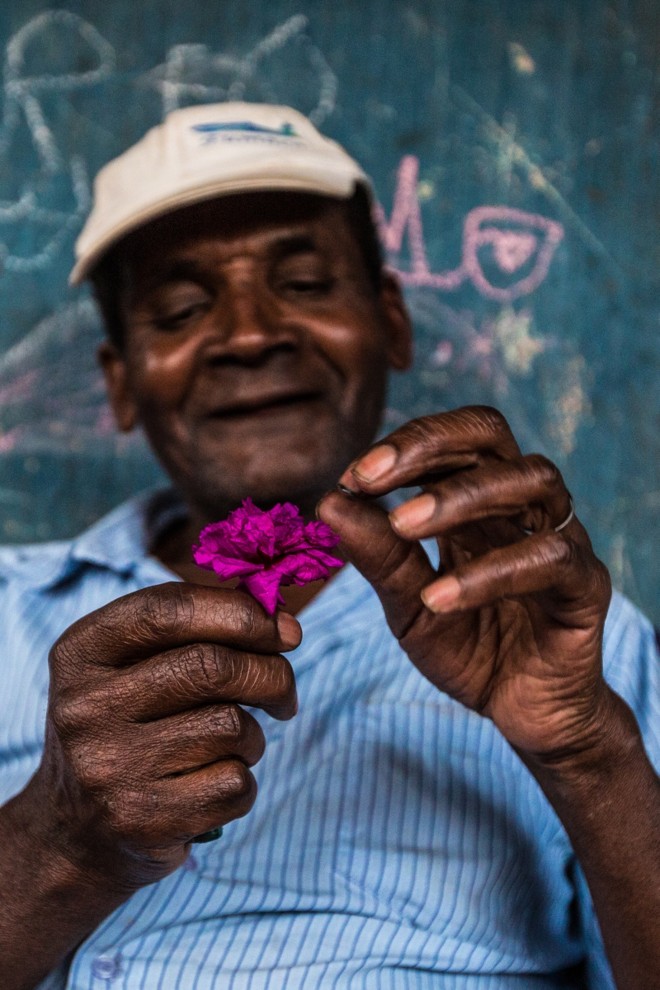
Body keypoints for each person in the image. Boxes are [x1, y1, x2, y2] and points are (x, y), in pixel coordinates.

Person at [0, 102, 657, 990]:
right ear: (121, 384)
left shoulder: (569, 637)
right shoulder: (7, 613)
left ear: (390, 323)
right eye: (183, 307)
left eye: (306, 283)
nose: (247, 333)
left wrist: (587, 752)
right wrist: (55, 838)